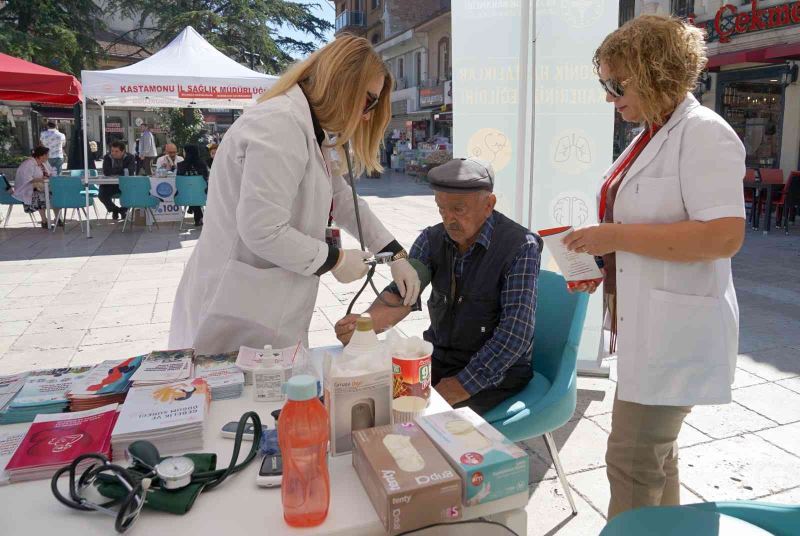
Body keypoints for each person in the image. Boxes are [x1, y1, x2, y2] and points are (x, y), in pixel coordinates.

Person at [563, 15, 746, 520]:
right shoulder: (653, 132)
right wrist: (599, 252)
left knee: (631, 461)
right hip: (648, 330)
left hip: (676, 335)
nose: (608, 96)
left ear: (654, 72)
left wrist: (616, 237)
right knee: (655, 461)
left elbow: (724, 236)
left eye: (615, 84)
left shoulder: (705, 133)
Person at [169, 35, 420, 355]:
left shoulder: (312, 130)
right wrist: (337, 260)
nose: (368, 115)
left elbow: (341, 198)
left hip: (269, 305)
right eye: (368, 101)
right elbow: (262, 228)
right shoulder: (280, 124)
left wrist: (394, 253)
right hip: (232, 310)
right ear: (342, 85)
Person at [335, 158, 542, 413]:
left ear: (489, 205)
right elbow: (403, 293)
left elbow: (515, 334)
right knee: (374, 401)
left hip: (496, 373)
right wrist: (364, 326)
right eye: (442, 209)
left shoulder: (520, 246)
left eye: (459, 209)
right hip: (438, 360)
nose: (449, 219)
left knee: (424, 424)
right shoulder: (432, 239)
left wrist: (459, 386)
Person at [12, 146, 58, 228]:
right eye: (47, 155)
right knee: (41, 195)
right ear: (41, 155)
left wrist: (50, 176)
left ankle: (58, 218)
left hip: (43, 186)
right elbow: (27, 180)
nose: (48, 156)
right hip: (28, 188)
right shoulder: (29, 164)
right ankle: (44, 220)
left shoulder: (44, 162)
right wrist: (41, 179)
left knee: (57, 193)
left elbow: (51, 172)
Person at [100, 140, 136, 220]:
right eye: (112, 151)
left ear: (123, 151)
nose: (113, 153)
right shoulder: (107, 157)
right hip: (110, 185)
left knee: (132, 192)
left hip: (125, 185)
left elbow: (130, 171)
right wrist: (122, 170)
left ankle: (124, 210)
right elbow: (106, 172)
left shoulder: (130, 157)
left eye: (116, 151)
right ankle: (116, 210)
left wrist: (114, 170)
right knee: (102, 193)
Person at [176, 144, 209, 226]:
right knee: (196, 191)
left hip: (184, 196)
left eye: (184, 151)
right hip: (203, 196)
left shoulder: (180, 165)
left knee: (191, 190)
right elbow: (207, 179)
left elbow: (178, 183)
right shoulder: (202, 164)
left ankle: (194, 211)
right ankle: (198, 218)